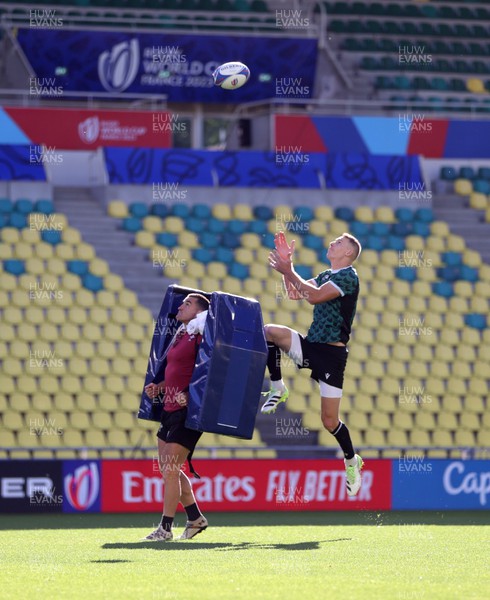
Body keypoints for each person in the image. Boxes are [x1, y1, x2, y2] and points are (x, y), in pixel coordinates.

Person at [261, 231, 364, 497]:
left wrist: (289, 269)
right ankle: (277, 386)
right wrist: (287, 267)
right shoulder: (326, 275)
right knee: (269, 331)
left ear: (349, 253)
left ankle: (351, 459)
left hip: (332, 356)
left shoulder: (348, 276)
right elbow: (295, 294)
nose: (332, 243)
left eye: (339, 242)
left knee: (329, 421)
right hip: (312, 346)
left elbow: (315, 297)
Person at [143, 293, 210, 541]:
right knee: (167, 469)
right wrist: (160, 387)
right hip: (169, 409)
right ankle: (195, 518)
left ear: (199, 312)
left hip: (188, 412)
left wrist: (190, 395)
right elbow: (177, 371)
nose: (181, 306)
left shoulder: (203, 336)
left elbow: (210, 370)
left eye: (188, 304)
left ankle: (165, 529)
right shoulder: (181, 334)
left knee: (170, 469)